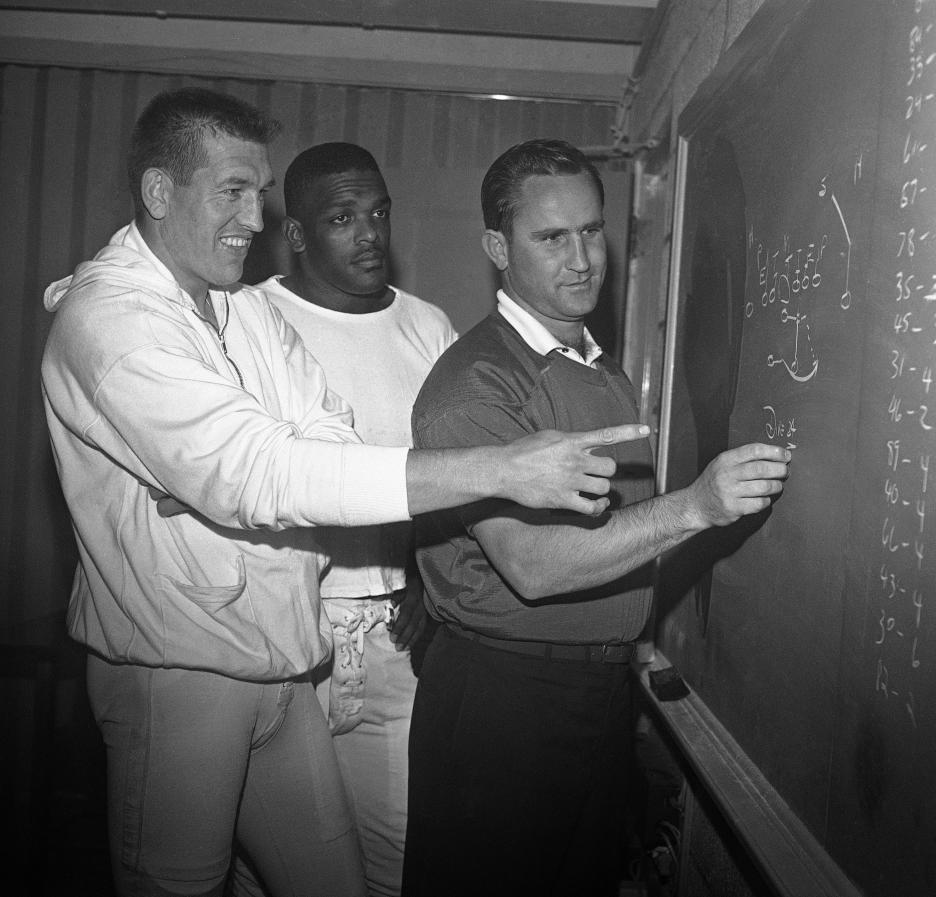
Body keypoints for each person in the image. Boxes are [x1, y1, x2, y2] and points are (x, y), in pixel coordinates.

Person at [39, 91, 646, 897]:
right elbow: (258, 470)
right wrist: (498, 467)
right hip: (176, 671)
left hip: (282, 661)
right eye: (233, 191)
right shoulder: (110, 318)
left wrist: (265, 474)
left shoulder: (236, 311)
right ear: (159, 192)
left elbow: (319, 441)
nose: (256, 218)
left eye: (259, 193)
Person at [402, 138, 791, 897]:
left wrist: (628, 629)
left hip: (597, 697)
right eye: (551, 238)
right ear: (497, 248)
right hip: (503, 704)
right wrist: (698, 506)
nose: (582, 259)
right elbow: (535, 565)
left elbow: (612, 525)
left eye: (590, 230)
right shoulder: (475, 385)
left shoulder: (595, 366)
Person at [256, 142, 457, 896]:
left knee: (402, 856)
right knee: (268, 866)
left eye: (378, 213)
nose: (370, 234)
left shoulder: (429, 327)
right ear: (298, 234)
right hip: (288, 639)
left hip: (397, 640)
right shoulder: (251, 319)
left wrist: (433, 582)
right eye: (342, 218)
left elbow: (460, 478)